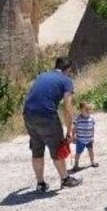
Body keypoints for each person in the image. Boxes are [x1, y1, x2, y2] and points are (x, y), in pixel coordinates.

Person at [23, 56, 82, 192]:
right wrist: (70, 129)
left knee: (37, 150)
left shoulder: (42, 75)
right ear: (68, 70)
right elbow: (67, 107)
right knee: (57, 149)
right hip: (47, 116)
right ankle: (65, 179)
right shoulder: (66, 80)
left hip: (28, 115)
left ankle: (40, 183)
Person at [70, 102, 97, 171]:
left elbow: (92, 128)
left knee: (91, 151)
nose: (88, 111)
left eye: (90, 109)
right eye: (86, 110)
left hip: (89, 139)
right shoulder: (77, 119)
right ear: (81, 110)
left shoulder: (91, 118)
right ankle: (76, 165)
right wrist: (73, 137)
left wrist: (92, 137)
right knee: (78, 153)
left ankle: (92, 161)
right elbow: (74, 129)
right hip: (80, 140)